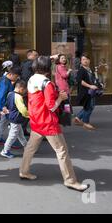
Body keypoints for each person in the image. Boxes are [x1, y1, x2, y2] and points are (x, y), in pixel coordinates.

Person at [19, 56, 89, 192]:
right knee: (62, 151)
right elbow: (51, 106)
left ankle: (24, 171)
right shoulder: (47, 83)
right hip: (48, 122)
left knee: (30, 148)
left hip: (36, 120)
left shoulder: (32, 79)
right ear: (47, 68)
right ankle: (70, 180)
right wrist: (60, 98)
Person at [0, 80, 29, 158]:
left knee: (20, 134)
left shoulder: (10, 94)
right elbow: (23, 109)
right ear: (21, 89)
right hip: (16, 118)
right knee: (12, 136)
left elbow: (7, 104)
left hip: (12, 117)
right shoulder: (18, 97)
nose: (24, 92)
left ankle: (27, 147)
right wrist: (29, 115)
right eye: (24, 90)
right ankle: (5, 151)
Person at [0, 65, 21, 144]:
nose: (16, 79)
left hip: (5, 106)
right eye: (16, 77)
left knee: (5, 123)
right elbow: (2, 95)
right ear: (11, 74)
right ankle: (11, 141)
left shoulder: (5, 80)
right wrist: (3, 107)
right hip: (6, 106)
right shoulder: (5, 82)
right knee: (13, 124)